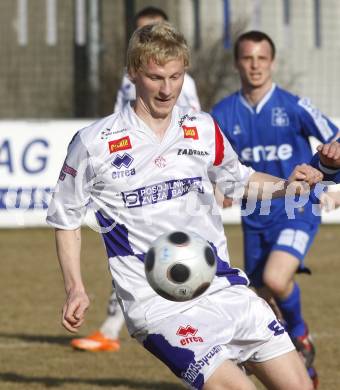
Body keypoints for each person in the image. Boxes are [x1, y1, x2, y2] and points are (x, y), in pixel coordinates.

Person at [47, 22, 322, 390]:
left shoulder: (204, 129)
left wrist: (287, 187)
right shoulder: (94, 143)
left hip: (226, 288)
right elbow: (65, 216)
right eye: (156, 77)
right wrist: (75, 287)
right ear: (133, 72)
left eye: (176, 77)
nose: (167, 89)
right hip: (159, 306)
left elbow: (240, 180)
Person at [211, 30, 340, 388]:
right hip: (255, 218)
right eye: (247, 58)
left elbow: (336, 138)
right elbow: (211, 165)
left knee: (275, 278)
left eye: (261, 58)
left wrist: (332, 159)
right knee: (263, 309)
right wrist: (217, 187)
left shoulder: (294, 105)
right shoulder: (222, 113)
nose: (255, 65)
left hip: (298, 208)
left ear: (272, 62)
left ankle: (301, 335)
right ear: (238, 62)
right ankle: (304, 371)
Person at [70, 5, 201, 353]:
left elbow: (193, 125)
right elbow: (118, 119)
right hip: (129, 178)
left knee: (165, 256)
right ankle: (113, 326)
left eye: (155, 30)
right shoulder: (126, 82)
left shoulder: (179, 83)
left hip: (167, 183)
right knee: (130, 251)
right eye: (141, 33)